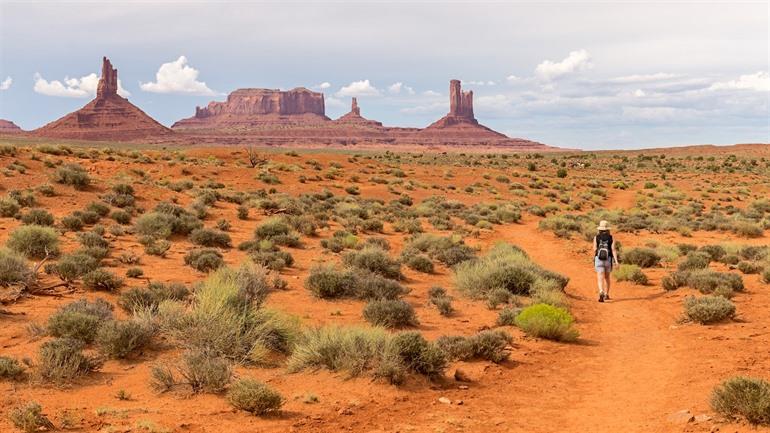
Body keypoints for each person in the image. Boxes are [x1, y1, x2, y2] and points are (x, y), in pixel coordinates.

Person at [593, 220, 619, 302]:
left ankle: (601, 291)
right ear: (608, 229)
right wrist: (616, 261)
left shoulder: (596, 237)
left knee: (600, 277)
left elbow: (594, 249)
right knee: (607, 277)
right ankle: (606, 294)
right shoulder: (611, 237)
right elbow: (613, 250)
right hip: (608, 259)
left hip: (599, 259)